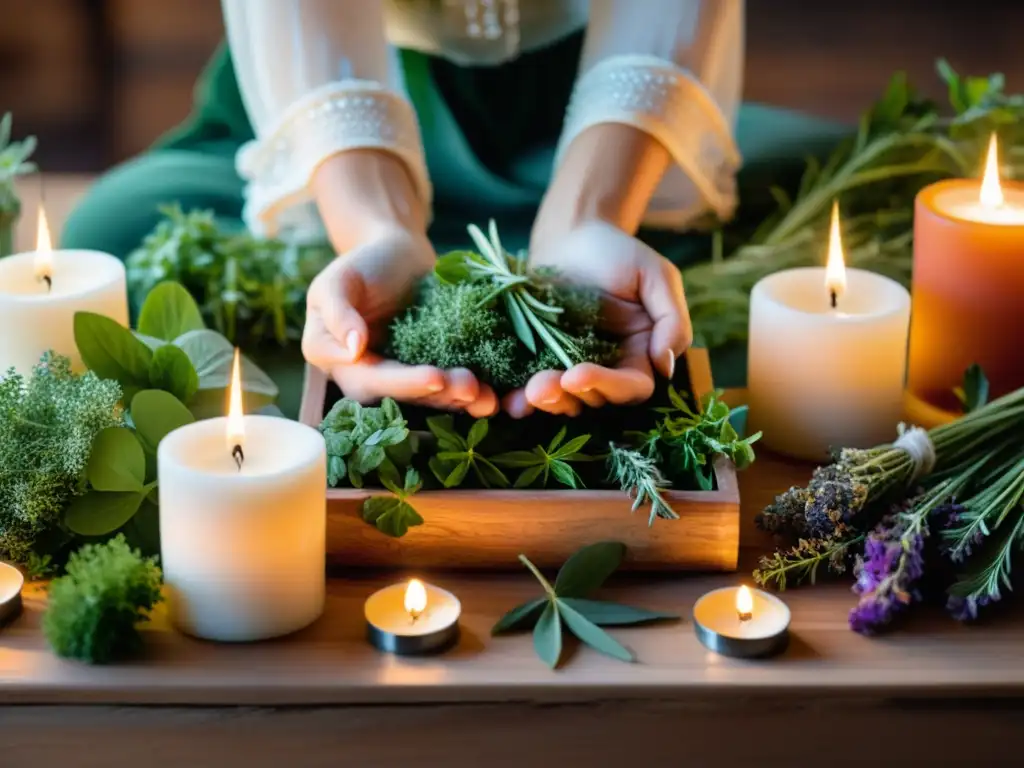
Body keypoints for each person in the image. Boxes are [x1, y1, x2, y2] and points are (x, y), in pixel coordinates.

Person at [61, 0, 846, 418]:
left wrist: (587, 217)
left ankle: (572, 236)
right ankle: (363, 276)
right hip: (342, 114)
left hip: (603, 119)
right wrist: (376, 230)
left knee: (854, 222)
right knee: (108, 240)